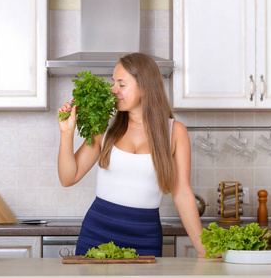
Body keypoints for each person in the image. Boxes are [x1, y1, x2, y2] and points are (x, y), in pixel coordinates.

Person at [57, 53, 205, 258]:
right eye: (113, 83)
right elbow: (68, 178)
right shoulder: (105, 126)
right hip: (97, 233)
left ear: (145, 86)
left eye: (121, 84)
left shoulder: (175, 131)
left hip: (145, 237)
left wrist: (204, 251)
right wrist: (66, 133)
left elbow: (183, 194)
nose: (113, 90)